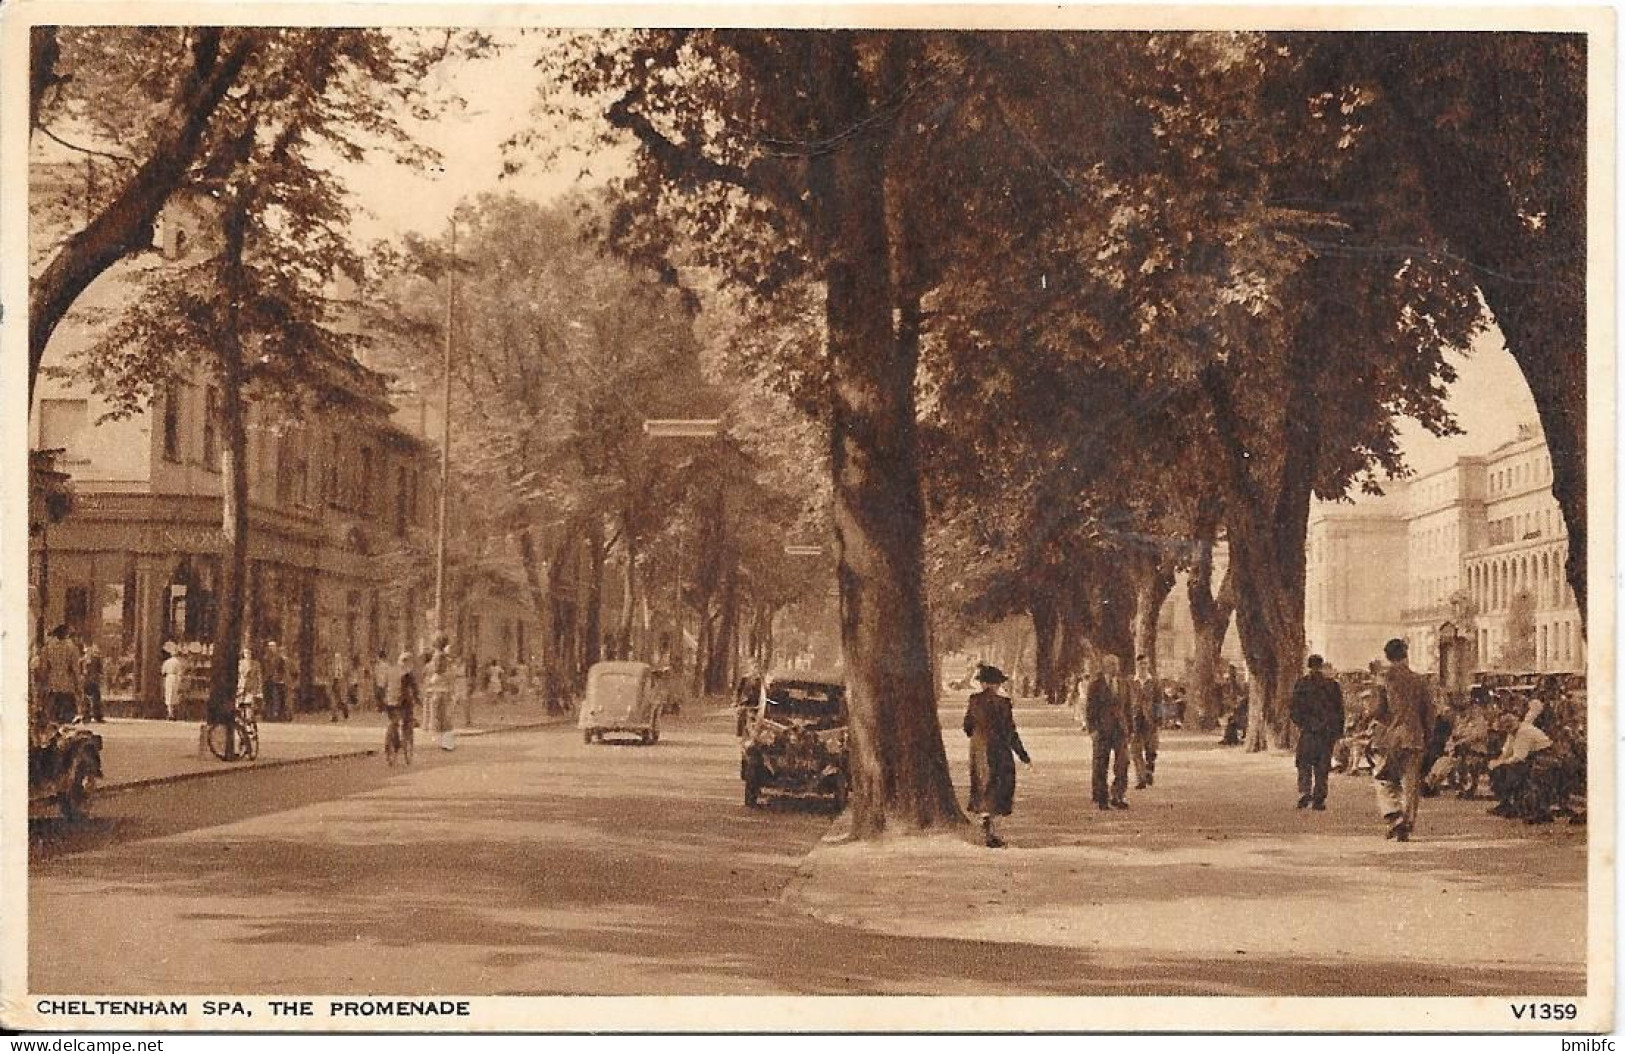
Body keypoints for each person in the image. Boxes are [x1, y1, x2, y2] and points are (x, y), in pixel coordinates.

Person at [1370, 638, 1433, 841]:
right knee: (1411, 783)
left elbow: (1378, 710)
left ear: (1388, 656)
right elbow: (1429, 712)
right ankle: (1408, 822)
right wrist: (1427, 735)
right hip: (1415, 737)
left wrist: (1380, 719)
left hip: (1390, 737)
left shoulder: (1383, 680)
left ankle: (1393, 814)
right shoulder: (1419, 680)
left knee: (1383, 778)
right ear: (1406, 654)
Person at [962, 664, 1031, 848]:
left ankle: (986, 821)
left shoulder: (973, 700)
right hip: (1000, 751)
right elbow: (1010, 732)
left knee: (983, 785)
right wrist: (1023, 755)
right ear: (996, 684)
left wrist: (977, 736)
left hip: (978, 750)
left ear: (983, 684)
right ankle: (993, 830)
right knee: (1000, 787)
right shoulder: (1004, 703)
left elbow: (967, 726)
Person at [1289, 654, 1345, 810]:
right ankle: (1319, 796)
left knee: (1304, 762)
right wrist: (1338, 732)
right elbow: (1340, 710)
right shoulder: (1332, 685)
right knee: (1322, 765)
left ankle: (1304, 791)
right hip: (1326, 731)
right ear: (1321, 666)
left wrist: (1302, 723)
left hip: (1308, 730)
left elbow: (1294, 709)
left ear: (1309, 666)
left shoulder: (1302, 684)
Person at [1086, 655, 1132, 811]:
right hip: (1102, 730)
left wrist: (1130, 730)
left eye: (1117, 664)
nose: (1115, 668)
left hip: (1120, 730)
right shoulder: (1095, 685)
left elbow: (1128, 708)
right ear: (1105, 666)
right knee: (1100, 765)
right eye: (1112, 665)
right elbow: (1089, 709)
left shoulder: (1123, 684)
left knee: (1123, 763)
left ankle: (1118, 795)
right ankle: (1102, 797)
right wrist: (1092, 730)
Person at [1129, 654, 1159, 789]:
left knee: (1151, 749)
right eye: (1141, 664)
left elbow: (1159, 702)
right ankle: (1141, 777)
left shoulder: (1155, 682)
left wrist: (1159, 719)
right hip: (1134, 719)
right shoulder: (1130, 681)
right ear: (1137, 665)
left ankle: (1149, 769)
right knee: (1135, 749)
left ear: (1148, 665)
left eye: (1145, 664)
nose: (1143, 667)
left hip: (1150, 719)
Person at [41, 625, 82, 724]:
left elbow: (44, 666)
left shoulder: (48, 647)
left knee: (54, 710)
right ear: (66, 634)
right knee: (67, 709)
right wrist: (78, 684)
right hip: (67, 682)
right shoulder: (72, 647)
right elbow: (75, 668)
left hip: (53, 681)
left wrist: (45, 680)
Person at [262, 641, 287, 722]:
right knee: (268, 698)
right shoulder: (265, 657)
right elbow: (264, 669)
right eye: (270, 646)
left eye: (273, 646)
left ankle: (278, 715)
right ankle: (268, 715)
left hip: (277, 680)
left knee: (277, 698)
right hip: (267, 680)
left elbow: (282, 669)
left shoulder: (279, 658)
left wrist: (280, 677)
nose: (271, 648)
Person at [160, 640, 185, 721]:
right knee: (175, 695)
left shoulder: (167, 662)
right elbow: (180, 672)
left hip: (169, 677)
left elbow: (163, 671)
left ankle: (170, 713)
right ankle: (173, 713)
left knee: (169, 695)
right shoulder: (178, 662)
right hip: (176, 678)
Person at [329, 650, 351, 722]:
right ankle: (335, 715)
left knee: (337, 700)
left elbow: (334, 674)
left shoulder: (335, 665)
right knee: (335, 700)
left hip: (338, 683)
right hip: (336, 683)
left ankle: (340, 712)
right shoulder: (341, 664)